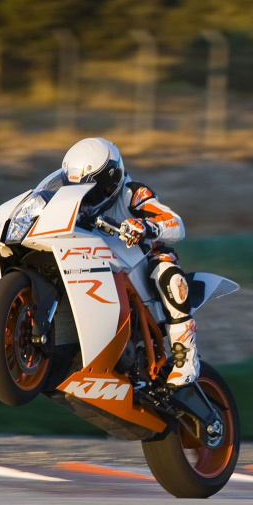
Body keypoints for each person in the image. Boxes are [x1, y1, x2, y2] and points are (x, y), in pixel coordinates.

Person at [60, 137, 199, 387]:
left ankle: (186, 357)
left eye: (89, 188)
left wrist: (146, 226)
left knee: (167, 273)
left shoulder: (132, 193)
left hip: (139, 260)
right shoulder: (74, 204)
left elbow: (175, 223)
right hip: (97, 259)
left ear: (110, 181)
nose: (84, 195)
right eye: (76, 187)